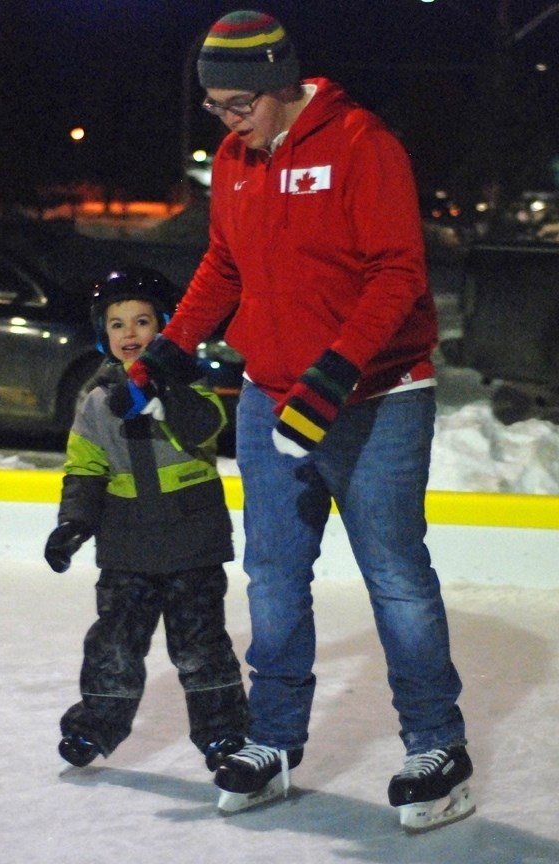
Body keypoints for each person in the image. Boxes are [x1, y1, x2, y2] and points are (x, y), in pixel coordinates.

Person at [122, 10, 474, 831]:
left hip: (379, 399)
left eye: (238, 102)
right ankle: (274, 742)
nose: (226, 120)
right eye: (213, 106)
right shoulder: (236, 158)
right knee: (274, 578)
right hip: (268, 397)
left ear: (284, 82)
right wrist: (170, 352)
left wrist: (334, 377)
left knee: (395, 577)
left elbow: (398, 275)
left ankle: (438, 745)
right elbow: (223, 265)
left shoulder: (361, 144)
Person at [44, 267, 248, 774]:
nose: (129, 333)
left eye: (142, 321)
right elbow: (86, 469)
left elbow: (207, 426)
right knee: (113, 643)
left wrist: (166, 397)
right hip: (126, 546)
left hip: (190, 543)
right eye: (117, 325)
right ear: (103, 335)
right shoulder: (95, 403)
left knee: (200, 646)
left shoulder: (193, 387)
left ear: (166, 329)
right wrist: (73, 525)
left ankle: (223, 732)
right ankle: (94, 727)